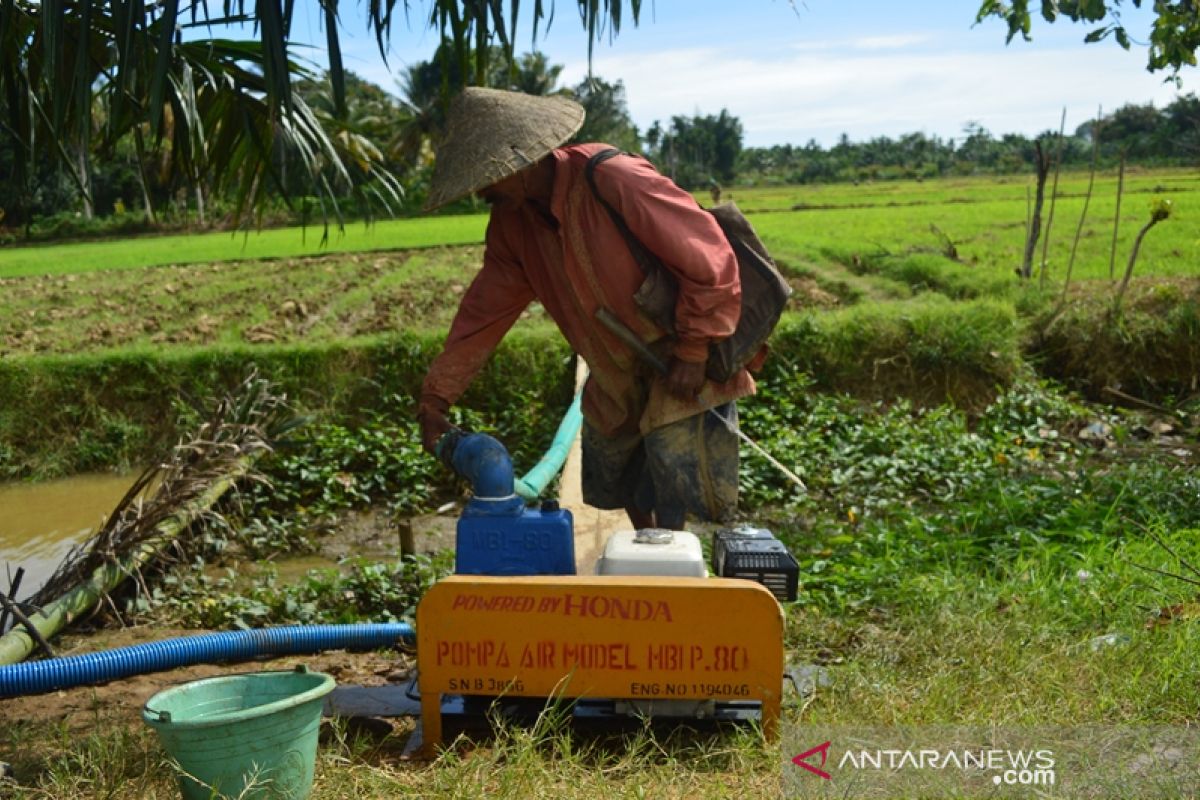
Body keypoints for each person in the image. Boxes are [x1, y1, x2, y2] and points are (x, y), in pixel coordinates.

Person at [417, 87, 755, 531]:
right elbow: (484, 313)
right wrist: (436, 396)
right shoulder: (512, 225)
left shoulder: (612, 178)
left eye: (486, 177)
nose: (480, 191)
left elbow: (708, 257)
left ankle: (681, 584)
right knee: (633, 494)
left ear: (522, 160)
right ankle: (648, 577)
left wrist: (693, 351)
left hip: (678, 363)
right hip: (613, 378)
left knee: (681, 502)